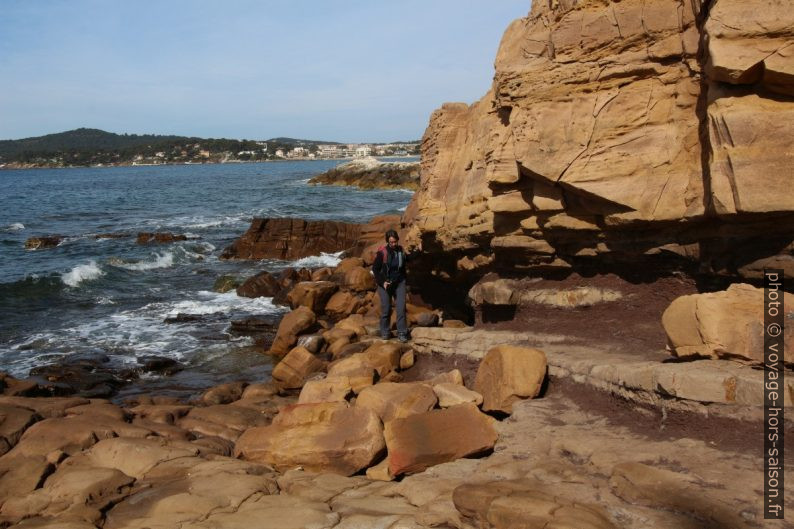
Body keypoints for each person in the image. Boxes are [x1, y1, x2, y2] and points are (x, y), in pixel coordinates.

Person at [372, 229, 409, 342]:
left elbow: (409, 259)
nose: (393, 244)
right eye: (391, 242)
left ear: (397, 240)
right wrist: (382, 282)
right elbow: (375, 269)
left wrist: (420, 250)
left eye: (395, 241)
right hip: (385, 284)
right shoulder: (382, 253)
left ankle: (402, 332)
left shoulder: (401, 251)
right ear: (388, 241)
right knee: (386, 309)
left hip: (399, 283)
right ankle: (385, 331)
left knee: (401, 308)